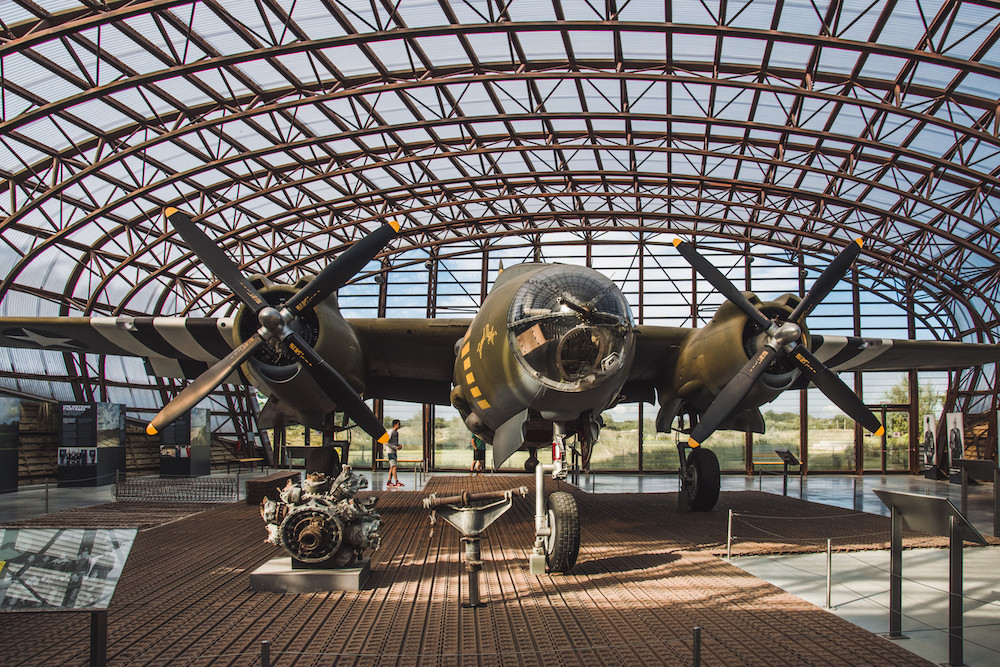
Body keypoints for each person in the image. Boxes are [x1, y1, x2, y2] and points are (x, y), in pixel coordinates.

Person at [386, 419, 403, 487]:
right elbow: (386, 442)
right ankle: (397, 482)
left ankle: (389, 481)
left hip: (394, 451)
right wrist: (395, 447)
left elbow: (394, 442)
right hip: (390, 452)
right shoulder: (390, 432)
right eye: (399, 424)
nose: (400, 425)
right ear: (395, 425)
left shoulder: (396, 433)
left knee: (391, 467)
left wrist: (398, 446)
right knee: (394, 466)